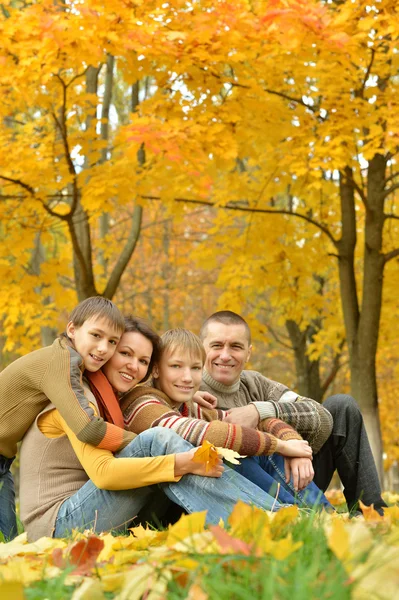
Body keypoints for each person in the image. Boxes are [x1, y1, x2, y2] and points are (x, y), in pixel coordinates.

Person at [19, 315, 286, 542]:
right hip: (58, 525)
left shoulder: (112, 400)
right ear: (108, 354)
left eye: (143, 361)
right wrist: (181, 462)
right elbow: (104, 475)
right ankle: (267, 521)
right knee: (157, 440)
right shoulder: (78, 399)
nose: (133, 367)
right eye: (125, 354)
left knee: (172, 441)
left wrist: (187, 394)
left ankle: (268, 516)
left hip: (100, 510)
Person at [197, 310, 387, 514]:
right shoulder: (188, 387)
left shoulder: (256, 383)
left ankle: (372, 512)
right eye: (216, 345)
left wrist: (261, 412)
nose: (225, 355)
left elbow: (319, 415)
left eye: (236, 346)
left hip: (296, 478)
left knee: (342, 406)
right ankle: (314, 515)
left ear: (248, 353)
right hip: (241, 489)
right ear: (201, 350)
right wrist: (285, 447)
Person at [120, 327, 330, 508]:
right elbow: (209, 433)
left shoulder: (188, 406)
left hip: (187, 497)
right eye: (176, 366)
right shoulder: (143, 404)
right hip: (151, 508)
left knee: (253, 446)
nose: (187, 377)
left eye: (194, 368)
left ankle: (321, 513)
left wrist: (293, 443)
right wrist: (280, 445)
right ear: (156, 369)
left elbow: (253, 422)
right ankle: (290, 513)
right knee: (226, 451)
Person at [0, 296, 136, 540]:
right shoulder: (61, 362)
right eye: (96, 335)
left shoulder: (66, 360)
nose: (104, 348)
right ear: (72, 329)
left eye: (112, 341)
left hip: (4, 461)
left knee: (8, 543)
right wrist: (140, 442)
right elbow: (88, 429)